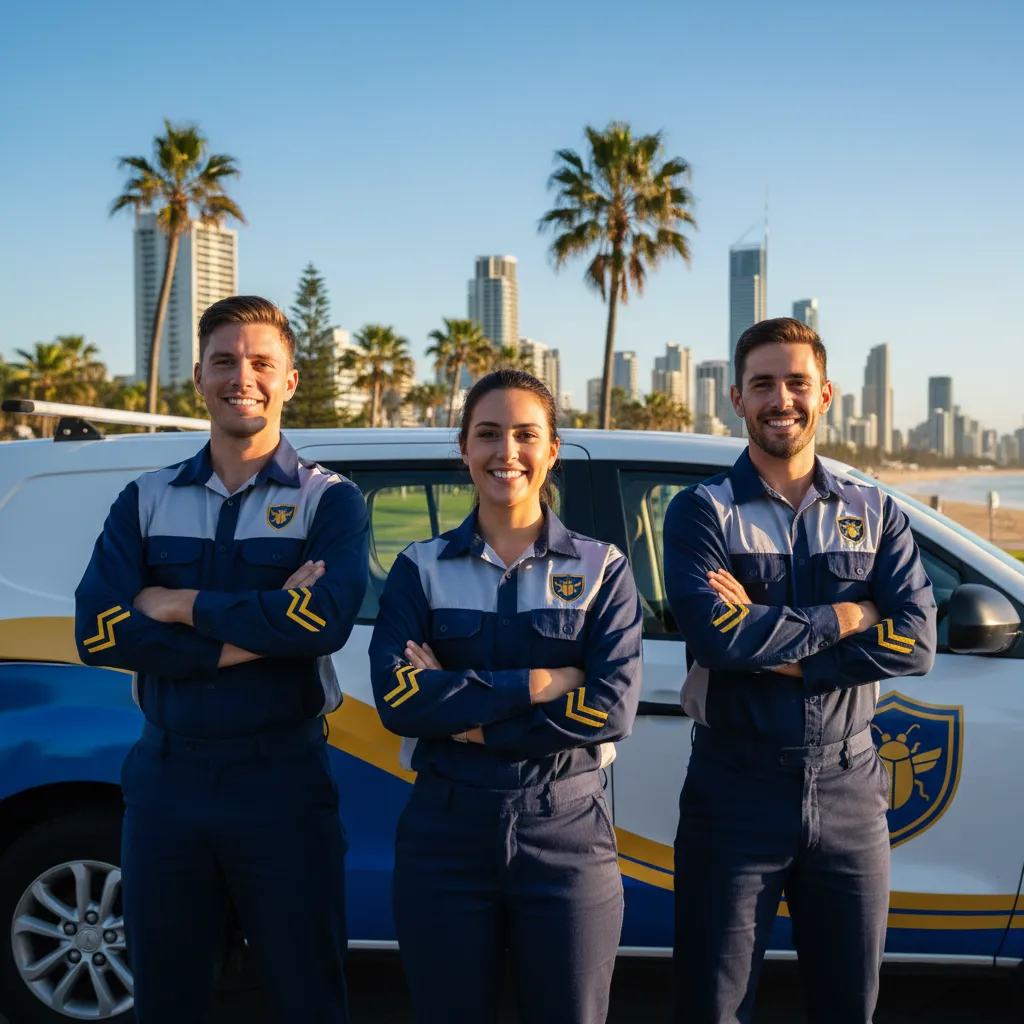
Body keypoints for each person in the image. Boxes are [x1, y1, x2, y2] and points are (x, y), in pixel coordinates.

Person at [75, 295, 368, 1023]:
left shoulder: (330, 503)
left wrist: (175, 604)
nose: (245, 377)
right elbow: (100, 633)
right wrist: (260, 631)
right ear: (199, 378)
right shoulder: (143, 499)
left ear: (290, 381)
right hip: (167, 781)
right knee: (167, 1001)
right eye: (226, 361)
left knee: (308, 997)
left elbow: (322, 623)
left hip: (283, 783)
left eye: (263, 362)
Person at [663, 318, 937, 1024]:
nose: (779, 399)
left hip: (850, 789)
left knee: (850, 1006)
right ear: (735, 398)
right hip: (735, 788)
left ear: (826, 395)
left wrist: (769, 638)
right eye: (762, 384)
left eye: (795, 383)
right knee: (712, 1006)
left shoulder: (876, 511)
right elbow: (718, 643)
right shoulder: (701, 513)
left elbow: (917, 642)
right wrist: (849, 618)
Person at [368, 369, 643, 1024]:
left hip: (566, 832)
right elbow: (398, 701)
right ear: (463, 447)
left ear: (552, 450)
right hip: (446, 831)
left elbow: (611, 705)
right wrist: (542, 683)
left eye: (526, 435)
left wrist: (467, 718)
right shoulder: (418, 569)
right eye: (488, 434)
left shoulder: (602, 569)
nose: (506, 452)